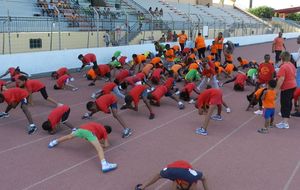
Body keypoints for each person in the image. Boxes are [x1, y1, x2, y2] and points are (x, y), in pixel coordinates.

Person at [48, 122, 118, 173]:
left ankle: (54, 142)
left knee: (69, 136)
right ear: (107, 131)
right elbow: (106, 145)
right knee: (99, 148)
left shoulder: (97, 126)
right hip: (89, 132)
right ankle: (104, 164)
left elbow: (88, 137)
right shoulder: (104, 131)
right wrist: (101, 144)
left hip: (81, 130)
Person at [135, 160, 208, 190]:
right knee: (159, 175)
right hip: (175, 167)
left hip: (177, 169)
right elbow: (204, 179)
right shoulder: (193, 179)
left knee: (159, 175)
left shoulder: (193, 179)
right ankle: (142, 187)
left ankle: (141, 188)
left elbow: (204, 179)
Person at [275, 51, 297, 129]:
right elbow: (295, 74)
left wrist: (276, 90)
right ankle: (285, 119)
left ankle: (285, 123)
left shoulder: (283, 67)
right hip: (293, 86)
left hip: (287, 88)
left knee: (285, 104)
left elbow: (281, 79)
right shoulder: (291, 65)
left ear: (282, 58)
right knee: (288, 103)